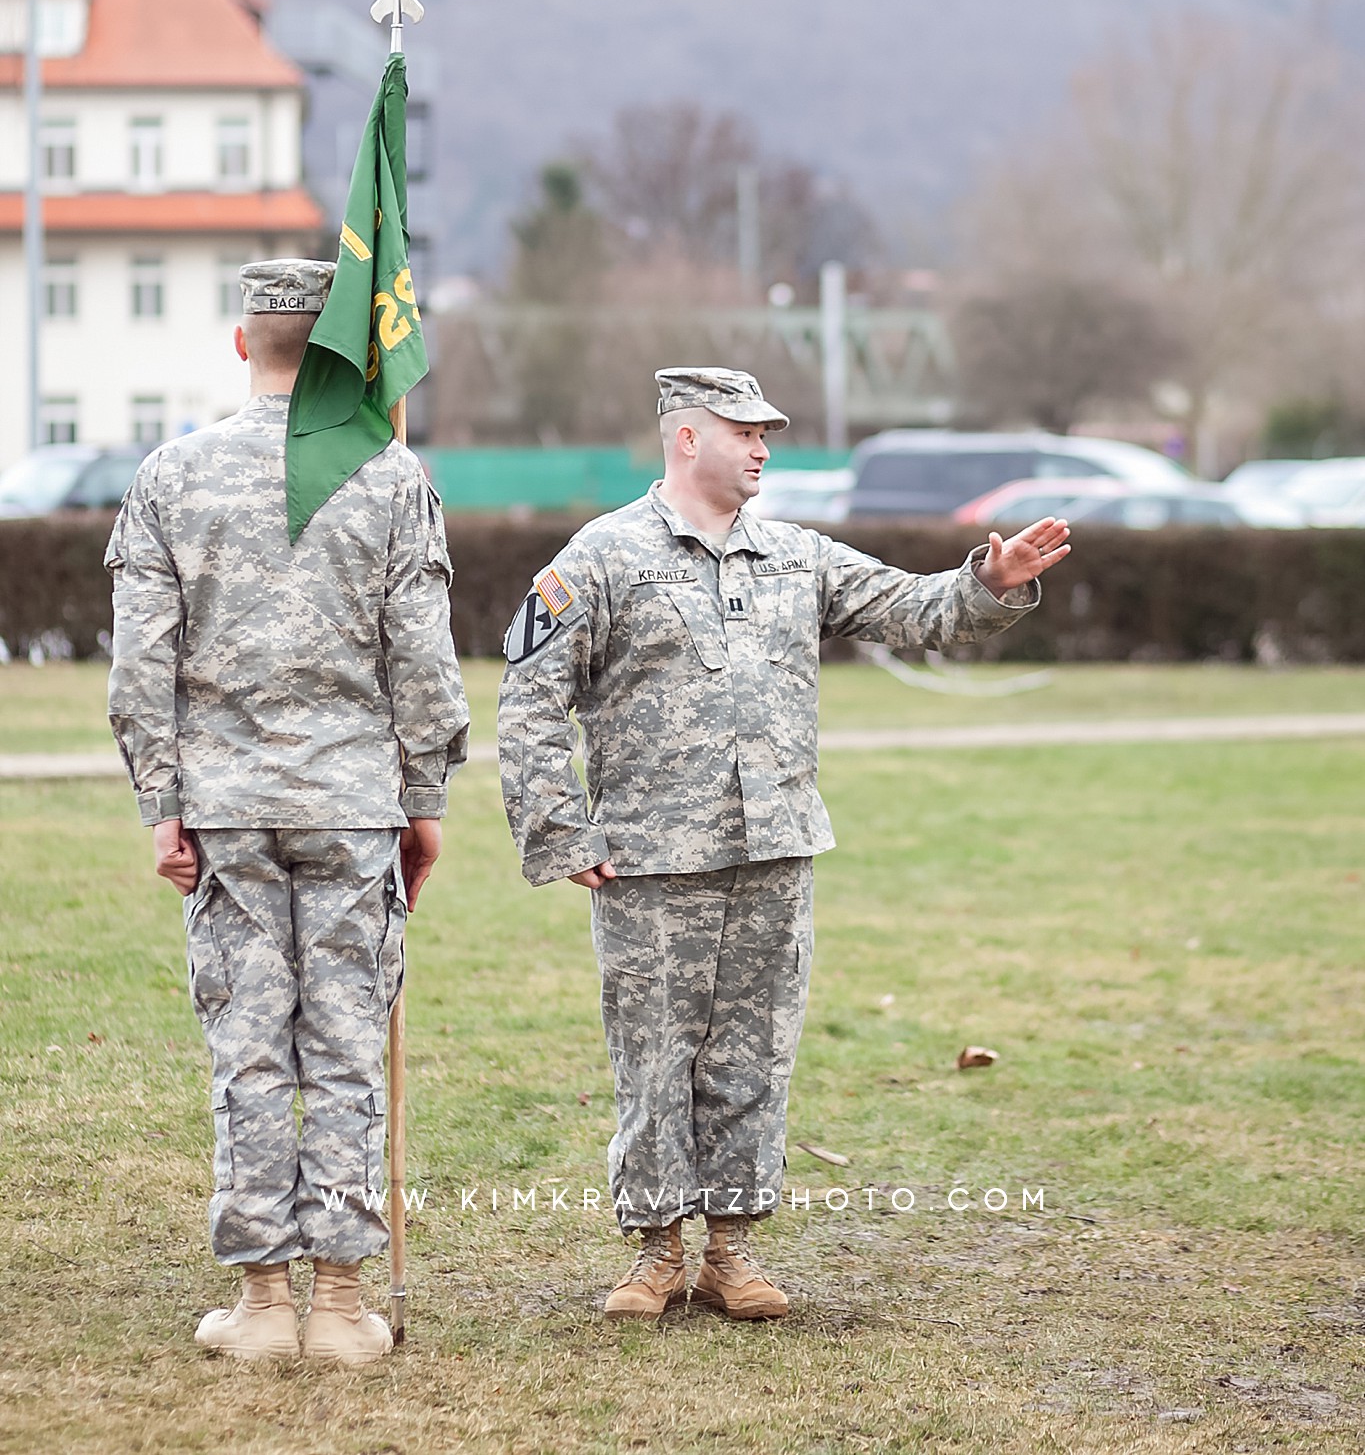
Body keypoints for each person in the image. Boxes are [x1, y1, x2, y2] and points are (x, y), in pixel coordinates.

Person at [498, 366, 1069, 1322]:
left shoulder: (795, 556)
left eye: (768, 431)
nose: (763, 446)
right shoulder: (601, 557)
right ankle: (654, 1253)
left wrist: (989, 583)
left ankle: (731, 1250)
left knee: (754, 1056)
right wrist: (560, 828)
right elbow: (528, 701)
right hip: (652, 860)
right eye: (743, 430)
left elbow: (911, 610)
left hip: (774, 850)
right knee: (653, 1054)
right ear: (686, 437)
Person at [105, 259, 469, 1365]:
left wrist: (161, 802)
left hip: (225, 807)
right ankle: (344, 1301)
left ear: (240, 342)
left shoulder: (170, 474)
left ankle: (264, 1300)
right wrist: (425, 799)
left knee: (251, 1044)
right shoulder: (389, 475)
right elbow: (424, 666)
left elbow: (141, 667)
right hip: (355, 805)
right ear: (345, 355)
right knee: (349, 1039)